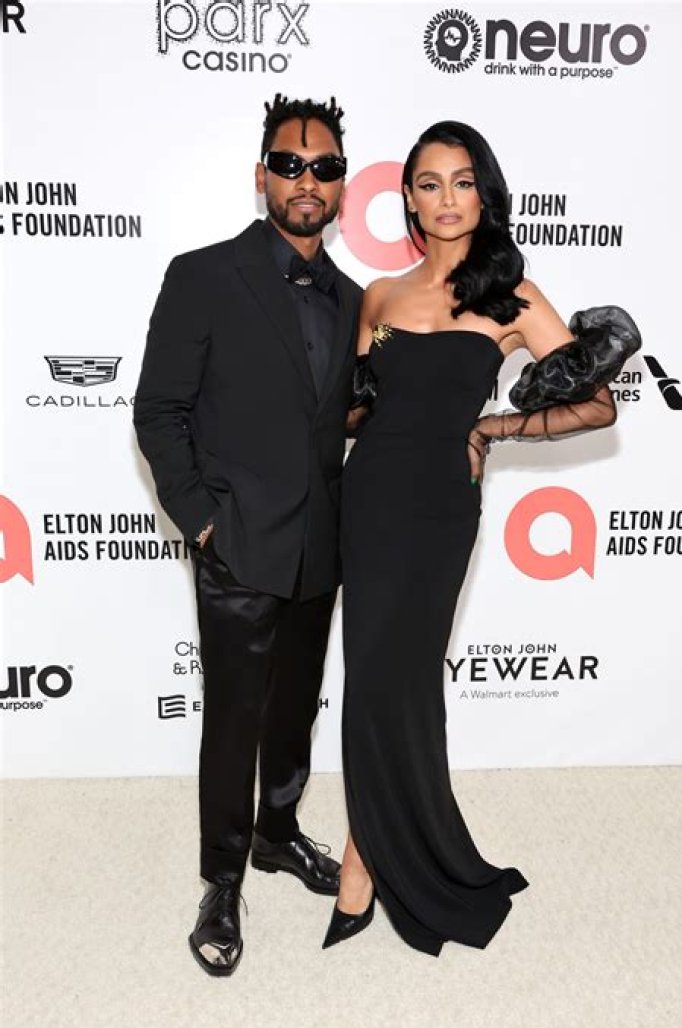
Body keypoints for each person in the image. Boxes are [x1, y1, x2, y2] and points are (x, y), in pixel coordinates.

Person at [324, 121, 639, 955]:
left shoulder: (513, 295)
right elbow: (355, 412)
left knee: (404, 677)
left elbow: (597, 402)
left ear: (484, 194)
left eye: (463, 182)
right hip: (370, 498)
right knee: (371, 678)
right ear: (408, 198)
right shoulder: (379, 295)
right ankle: (365, 851)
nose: (447, 199)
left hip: (439, 507)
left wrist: (494, 426)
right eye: (430, 184)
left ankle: (368, 856)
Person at [133, 94, 363, 976]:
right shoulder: (203, 275)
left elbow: (333, 415)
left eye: (325, 167)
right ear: (262, 174)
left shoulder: (354, 299)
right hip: (236, 543)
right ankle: (222, 879)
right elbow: (159, 411)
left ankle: (278, 832)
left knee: (295, 709)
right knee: (233, 720)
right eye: (291, 164)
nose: (308, 180)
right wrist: (202, 519)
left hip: (319, 547)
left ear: (341, 185)